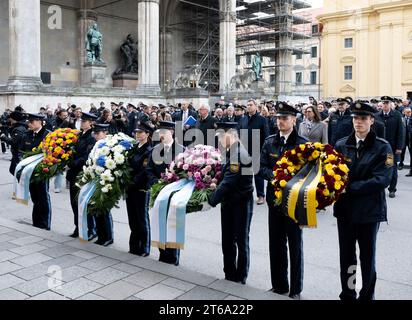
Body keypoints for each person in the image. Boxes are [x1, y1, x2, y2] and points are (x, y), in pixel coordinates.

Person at [333, 101, 393, 300]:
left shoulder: (383, 147)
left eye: (363, 118)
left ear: (371, 121)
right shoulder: (342, 144)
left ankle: (367, 295)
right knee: (347, 258)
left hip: (369, 211)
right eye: (355, 118)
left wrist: (348, 188)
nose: (358, 122)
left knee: (367, 258)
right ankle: (349, 293)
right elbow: (332, 174)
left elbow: (381, 179)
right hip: (346, 211)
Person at [259, 102, 308, 299]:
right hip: (274, 201)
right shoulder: (270, 141)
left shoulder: (303, 143)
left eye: (285, 118)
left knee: (295, 246)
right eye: (278, 118)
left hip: (295, 202)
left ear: (294, 120)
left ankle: (295, 289)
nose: (280, 121)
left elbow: (310, 173)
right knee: (276, 244)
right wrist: (276, 176)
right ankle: (279, 285)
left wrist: (291, 179)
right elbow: (261, 167)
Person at [208, 122, 254, 285]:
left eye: (221, 136)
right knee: (227, 239)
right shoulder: (231, 151)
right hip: (230, 202)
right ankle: (229, 273)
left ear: (231, 135)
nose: (219, 139)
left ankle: (240, 276)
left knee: (240, 240)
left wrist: (211, 199)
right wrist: (215, 180)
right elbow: (225, 175)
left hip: (240, 204)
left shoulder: (239, 153)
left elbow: (229, 181)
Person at [147, 121, 184, 266]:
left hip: (175, 193)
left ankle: (173, 257)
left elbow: (185, 173)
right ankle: (163, 254)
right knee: (160, 222)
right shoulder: (156, 149)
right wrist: (156, 183)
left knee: (173, 224)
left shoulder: (181, 150)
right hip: (159, 192)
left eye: (164, 132)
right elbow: (149, 169)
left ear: (171, 132)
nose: (161, 135)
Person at [66, 112, 97, 239]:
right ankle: (78, 227)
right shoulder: (79, 135)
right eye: (81, 121)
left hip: (82, 173)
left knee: (84, 203)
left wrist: (73, 163)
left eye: (85, 121)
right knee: (74, 203)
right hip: (74, 173)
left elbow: (86, 156)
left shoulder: (91, 137)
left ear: (91, 123)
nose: (82, 123)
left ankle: (91, 229)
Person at [19, 114, 51, 230]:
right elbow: (21, 150)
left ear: (39, 122)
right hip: (29, 172)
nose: (29, 124)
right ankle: (36, 223)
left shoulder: (47, 135)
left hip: (42, 172)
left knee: (43, 198)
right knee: (35, 198)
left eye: (32, 121)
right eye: (29, 121)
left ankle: (45, 224)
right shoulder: (27, 134)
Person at [126, 121, 154, 256]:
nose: (137, 134)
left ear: (147, 134)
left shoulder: (150, 150)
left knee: (142, 218)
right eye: (136, 132)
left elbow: (145, 171)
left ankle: (145, 247)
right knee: (132, 218)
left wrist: (132, 182)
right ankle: (134, 245)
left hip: (141, 188)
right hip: (130, 187)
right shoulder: (134, 147)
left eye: (140, 132)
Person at [238, 99, 269, 206]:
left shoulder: (261, 120)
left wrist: (264, 152)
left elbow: (266, 137)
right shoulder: (243, 119)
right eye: (247, 105)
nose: (249, 107)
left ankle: (261, 195)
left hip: (257, 150)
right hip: (245, 151)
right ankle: (246, 195)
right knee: (246, 174)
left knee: (258, 174)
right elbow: (239, 134)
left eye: (251, 105)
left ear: (256, 107)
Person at [377, 96, 405, 198]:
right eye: (383, 103)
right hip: (379, 148)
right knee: (379, 168)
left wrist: (399, 147)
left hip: (391, 149)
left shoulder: (396, 115)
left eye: (387, 103)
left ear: (390, 104)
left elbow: (400, 133)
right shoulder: (377, 116)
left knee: (391, 168)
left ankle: (392, 189)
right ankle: (379, 188)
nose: (385, 105)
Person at [92, 123, 114, 247]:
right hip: (95, 179)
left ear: (105, 133)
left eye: (98, 133)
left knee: (104, 209)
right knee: (97, 209)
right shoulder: (97, 144)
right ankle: (101, 235)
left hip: (105, 180)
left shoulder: (110, 144)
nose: (96, 135)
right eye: (95, 133)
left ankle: (108, 237)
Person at [0, 111, 27, 175]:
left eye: (11, 118)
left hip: (18, 154)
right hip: (17, 153)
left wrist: (3, 137)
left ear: (14, 119)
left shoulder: (18, 129)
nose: (9, 119)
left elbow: (14, 142)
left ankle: (22, 183)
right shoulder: (18, 126)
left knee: (14, 171)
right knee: (13, 170)